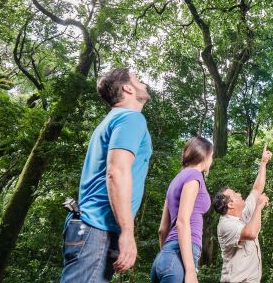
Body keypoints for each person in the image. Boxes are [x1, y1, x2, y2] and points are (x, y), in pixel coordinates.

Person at [60, 68, 152, 283]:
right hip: (96, 230)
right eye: (138, 80)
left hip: (93, 230)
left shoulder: (114, 119)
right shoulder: (131, 119)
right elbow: (116, 172)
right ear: (128, 88)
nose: (143, 84)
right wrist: (127, 233)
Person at [152, 136, 214, 283]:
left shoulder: (175, 180)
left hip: (163, 259)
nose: (212, 161)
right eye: (211, 156)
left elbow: (162, 230)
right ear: (204, 156)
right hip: (180, 257)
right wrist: (191, 271)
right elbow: (182, 221)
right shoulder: (194, 176)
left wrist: (166, 257)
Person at [212, 145, 272, 283]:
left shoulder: (242, 215)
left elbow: (257, 189)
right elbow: (251, 233)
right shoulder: (225, 225)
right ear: (230, 204)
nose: (239, 194)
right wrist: (258, 207)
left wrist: (263, 163)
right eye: (235, 194)